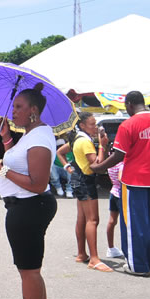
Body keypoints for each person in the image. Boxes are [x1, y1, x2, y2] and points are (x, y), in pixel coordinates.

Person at [0, 83, 57, 299]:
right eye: (13, 106)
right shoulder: (31, 135)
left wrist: (0, 170)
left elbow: (37, 183)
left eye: (18, 107)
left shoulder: (39, 137)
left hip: (29, 207)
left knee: (29, 270)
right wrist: (6, 138)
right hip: (25, 207)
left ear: (33, 111)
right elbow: (17, 161)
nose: (13, 111)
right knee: (31, 269)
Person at [93, 91, 150, 275]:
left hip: (134, 181)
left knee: (132, 223)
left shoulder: (128, 125)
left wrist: (98, 168)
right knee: (147, 221)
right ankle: (148, 260)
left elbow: (118, 156)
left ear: (129, 104)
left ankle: (137, 266)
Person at [56, 112, 112, 272]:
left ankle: (82, 253)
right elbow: (97, 164)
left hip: (78, 180)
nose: (96, 127)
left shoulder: (77, 138)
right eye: (92, 124)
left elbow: (60, 152)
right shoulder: (85, 142)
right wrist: (102, 144)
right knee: (93, 220)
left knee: (82, 218)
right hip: (86, 182)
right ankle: (94, 259)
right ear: (82, 126)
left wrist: (67, 166)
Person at [105, 160, 125, 258]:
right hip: (122, 194)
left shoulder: (111, 162)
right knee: (126, 223)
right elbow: (121, 178)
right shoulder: (123, 163)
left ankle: (111, 248)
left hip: (113, 191)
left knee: (112, 221)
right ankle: (128, 249)